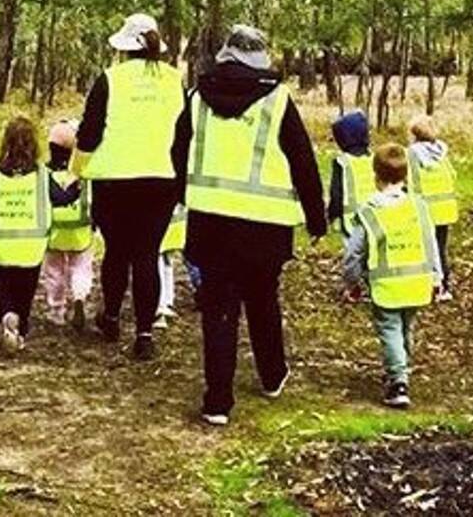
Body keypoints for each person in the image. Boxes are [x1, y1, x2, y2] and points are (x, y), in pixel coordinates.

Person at [172, 25, 327, 426]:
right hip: (265, 226)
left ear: (225, 55)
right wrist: (316, 218)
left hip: (210, 221)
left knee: (217, 307)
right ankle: (272, 375)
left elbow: (177, 152)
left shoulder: (196, 97)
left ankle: (217, 401)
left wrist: (179, 197)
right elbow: (302, 160)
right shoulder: (277, 100)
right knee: (262, 298)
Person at [72, 12, 185, 359]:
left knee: (117, 253)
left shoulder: (109, 79)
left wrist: (77, 169)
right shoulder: (174, 80)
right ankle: (145, 334)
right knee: (147, 254)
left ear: (124, 47)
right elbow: (184, 132)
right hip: (161, 179)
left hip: (114, 182)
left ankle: (110, 317)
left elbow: (90, 133)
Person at [0, 116, 78, 353]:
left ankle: (7, 316)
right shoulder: (41, 176)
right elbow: (61, 199)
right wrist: (77, 186)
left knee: (3, 287)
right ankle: (21, 328)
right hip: (31, 248)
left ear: (5, 143)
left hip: (2, 247)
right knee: (25, 290)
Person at [342, 143, 441, 408]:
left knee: (390, 330)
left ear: (375, 176)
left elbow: (353, 253)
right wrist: (437, 276)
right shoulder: (418, 207)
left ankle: (398, 381)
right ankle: (401, 369)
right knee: (406, 327)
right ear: (406, 175)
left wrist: (351, 281)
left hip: (387, 286)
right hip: (417, 282)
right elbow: (430, 242)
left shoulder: (369, 213)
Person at [41, 120, 94, 329]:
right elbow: (91, 201)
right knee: (81, 267)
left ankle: (56, 310)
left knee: (54, 271)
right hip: (80, 232)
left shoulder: (45, 175)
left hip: (54, 233)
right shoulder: (83, 175)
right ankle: (79, 296)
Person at [406, 115, 459, 298]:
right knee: (440, 247)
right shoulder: (441, 152)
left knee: (427, 248)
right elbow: (452, 175)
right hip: (445, 207)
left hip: (424, 207)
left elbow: (408, 177)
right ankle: (445, 284)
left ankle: (433, 284)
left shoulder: (412, 153)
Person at [327, 109, 375, 235]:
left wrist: (331, 216)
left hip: (352, 223)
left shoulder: (341, 163)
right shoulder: (376, 159)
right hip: (377, 220)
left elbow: (336, 194)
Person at [154, 202, 189, 329]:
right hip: (175, 219)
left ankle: (160, 305)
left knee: (157, 258)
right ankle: (167, 301)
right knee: (167, 259)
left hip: (160, 218)